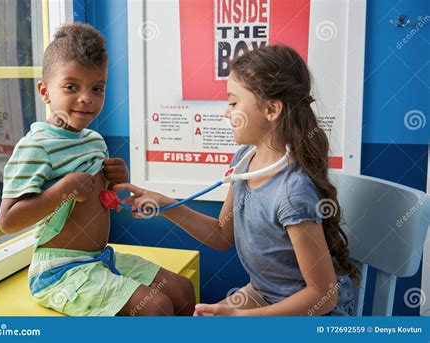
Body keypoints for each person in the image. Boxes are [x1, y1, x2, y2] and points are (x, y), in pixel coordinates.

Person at [113, 45, 358, 316]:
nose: (226, 113)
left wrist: (241, 317)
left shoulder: (292, 192)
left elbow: (322, 296)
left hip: (310, 311)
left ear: (272, 110)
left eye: (233, 102)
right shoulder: (244, 159)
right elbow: (221, 235)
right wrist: (167, 205)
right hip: (266, 294)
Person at [0, 23, 195, 316]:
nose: (86, 97)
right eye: (70, 87)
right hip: (57, 271)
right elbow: (8, 221)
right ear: (44, 91)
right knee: (155, 307)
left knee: (181, 290)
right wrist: (63, 189)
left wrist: (116, 181)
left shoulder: (93, 141)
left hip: (99, 257)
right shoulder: (36, 147)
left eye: (97, 88)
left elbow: (102, 200)